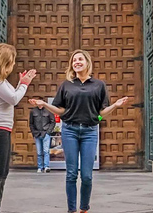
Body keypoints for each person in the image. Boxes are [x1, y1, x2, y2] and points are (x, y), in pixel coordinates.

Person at [29, 49, 130, 213]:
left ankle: (84, 208)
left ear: (87, 62)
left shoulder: (99, 85)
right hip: (70, 131)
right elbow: (60, 110)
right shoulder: (66, 85)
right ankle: (72, 210)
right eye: (74, 60)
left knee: (87, 176)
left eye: (80, 59)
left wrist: (115, 106)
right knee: (71, 174)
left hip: (90, 132)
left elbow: (101, 113)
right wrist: (44, 104)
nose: (77, 62)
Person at [0, 44, 37, 213]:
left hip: (1, 130)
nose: (12, 66)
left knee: (2, 173)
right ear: (4, 62)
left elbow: (11, 96)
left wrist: (21, 84)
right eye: (11, 62)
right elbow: (13, 99)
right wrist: (24, 84)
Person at [30, 96, 56, 173]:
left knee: (46, 150)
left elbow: (53, 121)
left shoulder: (48, 111)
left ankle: (46, 166)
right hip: (37, 133)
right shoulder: (33, 111)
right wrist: (33, 132)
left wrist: (49, 131)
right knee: (39, 152)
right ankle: (40, 167)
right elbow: (31, 123)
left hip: (45, 133)